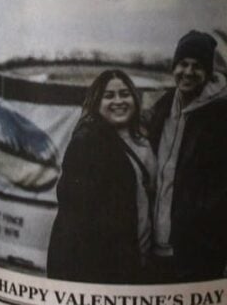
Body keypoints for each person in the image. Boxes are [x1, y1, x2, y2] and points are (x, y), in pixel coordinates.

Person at [144, 30, 227, 282]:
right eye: (183, 64)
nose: (188, 72)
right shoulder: (163, 106)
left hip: (200, 248)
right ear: (174, 66)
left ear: (208, 72)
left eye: (197, 66)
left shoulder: (222, 116)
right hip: (158, 247)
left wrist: (198, 214)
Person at [46, 69, 156, 284]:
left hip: (141, 254)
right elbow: (76, 214)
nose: (119, 101)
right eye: (109, 96)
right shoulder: (87, 143)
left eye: (125, 94)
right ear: (96, 102)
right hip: (105, 265)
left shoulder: (143, 139)